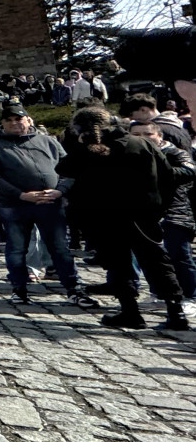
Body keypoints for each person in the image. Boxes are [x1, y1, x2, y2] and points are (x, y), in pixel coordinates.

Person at [57, 109, 187, 330]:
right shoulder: (140, 144)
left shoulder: (87, 150)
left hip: (105, 217)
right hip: (143, 214)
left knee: (119, 265)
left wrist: (79, 143)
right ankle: (176, 313)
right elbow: (167, 175)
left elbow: (63, 168)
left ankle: (130, 311)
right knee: (157, 262)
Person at [0, 103, 98, 307]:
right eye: (8, 120)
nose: (14, 123)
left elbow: (69, 169)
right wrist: (22, 195)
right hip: (15, 205)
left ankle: (74, 288)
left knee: (60, 248)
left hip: (51, 202)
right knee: (17, 249)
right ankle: (19, 288)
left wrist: (60, 190)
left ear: (28, 120)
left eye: (18, 119)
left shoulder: (48, 141)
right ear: (2, 124)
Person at [132, 120, 196, 310]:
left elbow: (189, 171)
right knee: (149, 257)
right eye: (136, 135)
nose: (142, 138)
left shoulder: (174, 153)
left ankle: (190, 296)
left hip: (175, 211)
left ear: (159, 136)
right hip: (143, 212)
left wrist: (155, 171)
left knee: (179, 255)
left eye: (147, 134)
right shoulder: (129, 153)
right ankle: (159, 294)